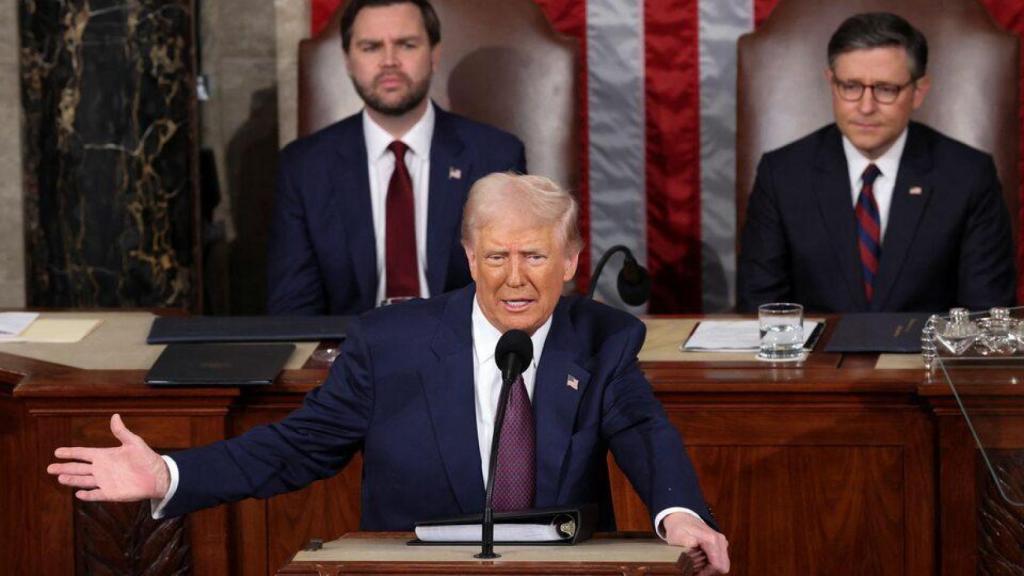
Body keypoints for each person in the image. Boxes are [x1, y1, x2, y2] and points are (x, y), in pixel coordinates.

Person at [49, 173, 730, 575]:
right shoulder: (389, 344)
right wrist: (171, 474)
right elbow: (297, 447)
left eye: (534, 256)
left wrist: (681, 516)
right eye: (497, 257)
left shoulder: (603, 338)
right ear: (470, 257)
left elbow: (644, 433)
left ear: (572, 260)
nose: (515, 279)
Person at [737, 12, 1015, 313]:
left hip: (925, 345)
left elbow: (987, 314)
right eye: (851, 86)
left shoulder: (967, 176)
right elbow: (761, 309)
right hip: (814, 346)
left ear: (918, 91)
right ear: (832, 83)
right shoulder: (782, 175)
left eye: (885, 89)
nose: (866, 107)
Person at [267, 0, 526, 314]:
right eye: (371, 47)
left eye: (406, 45)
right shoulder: (304, 167)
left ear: (434, 54)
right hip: (349, 342)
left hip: (462, 340)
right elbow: (294, 311)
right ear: (348, 60)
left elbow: (513, 291)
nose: (389, 61)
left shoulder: (495, 157)